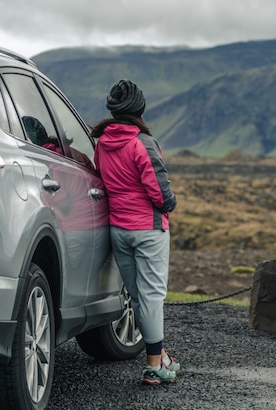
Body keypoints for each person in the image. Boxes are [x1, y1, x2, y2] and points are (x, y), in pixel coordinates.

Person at [91, 79, 180, 385]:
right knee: (153, 295)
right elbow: (159, 190)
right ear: (140, 109)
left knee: (139, 298)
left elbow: (102, 178)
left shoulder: (102, 143)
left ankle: (161, 355)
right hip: (148, 230)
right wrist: (170, 204)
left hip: (119, 231)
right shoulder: (143, 143)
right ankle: (154, 367)